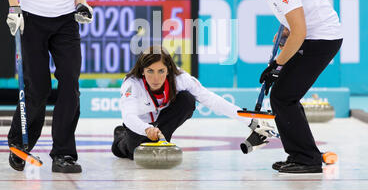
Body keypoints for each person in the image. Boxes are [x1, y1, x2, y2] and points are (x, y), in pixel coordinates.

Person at [5, 0, 114, 173]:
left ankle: (64, 154)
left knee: (70, 87)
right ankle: (20, 144)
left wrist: (82, 4)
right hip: (33, 18)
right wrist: (13, 8)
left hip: (65, 21)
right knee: (38, 88)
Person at [226, 0, 343, 174]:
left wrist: (277, 65)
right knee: (285, 95)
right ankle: (304, 154)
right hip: (313, 36)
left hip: (321, 39)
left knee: (283, 96)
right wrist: (286, 31)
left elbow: (300, 32)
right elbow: (296, 24)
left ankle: (306, 158)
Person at [111, 46, 271, 160]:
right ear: (142, 71)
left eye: (161, 71)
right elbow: (129, 116)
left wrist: (250, 121)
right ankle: (120, 137)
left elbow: (211, 99)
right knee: (135, 154)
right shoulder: (132, 84)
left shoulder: (180, 79)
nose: (155, 78)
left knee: (187, 100)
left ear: (168, 70)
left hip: (161, 123)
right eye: (150, 71)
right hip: (140, 125)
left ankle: (161, 140)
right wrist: (146, 129)